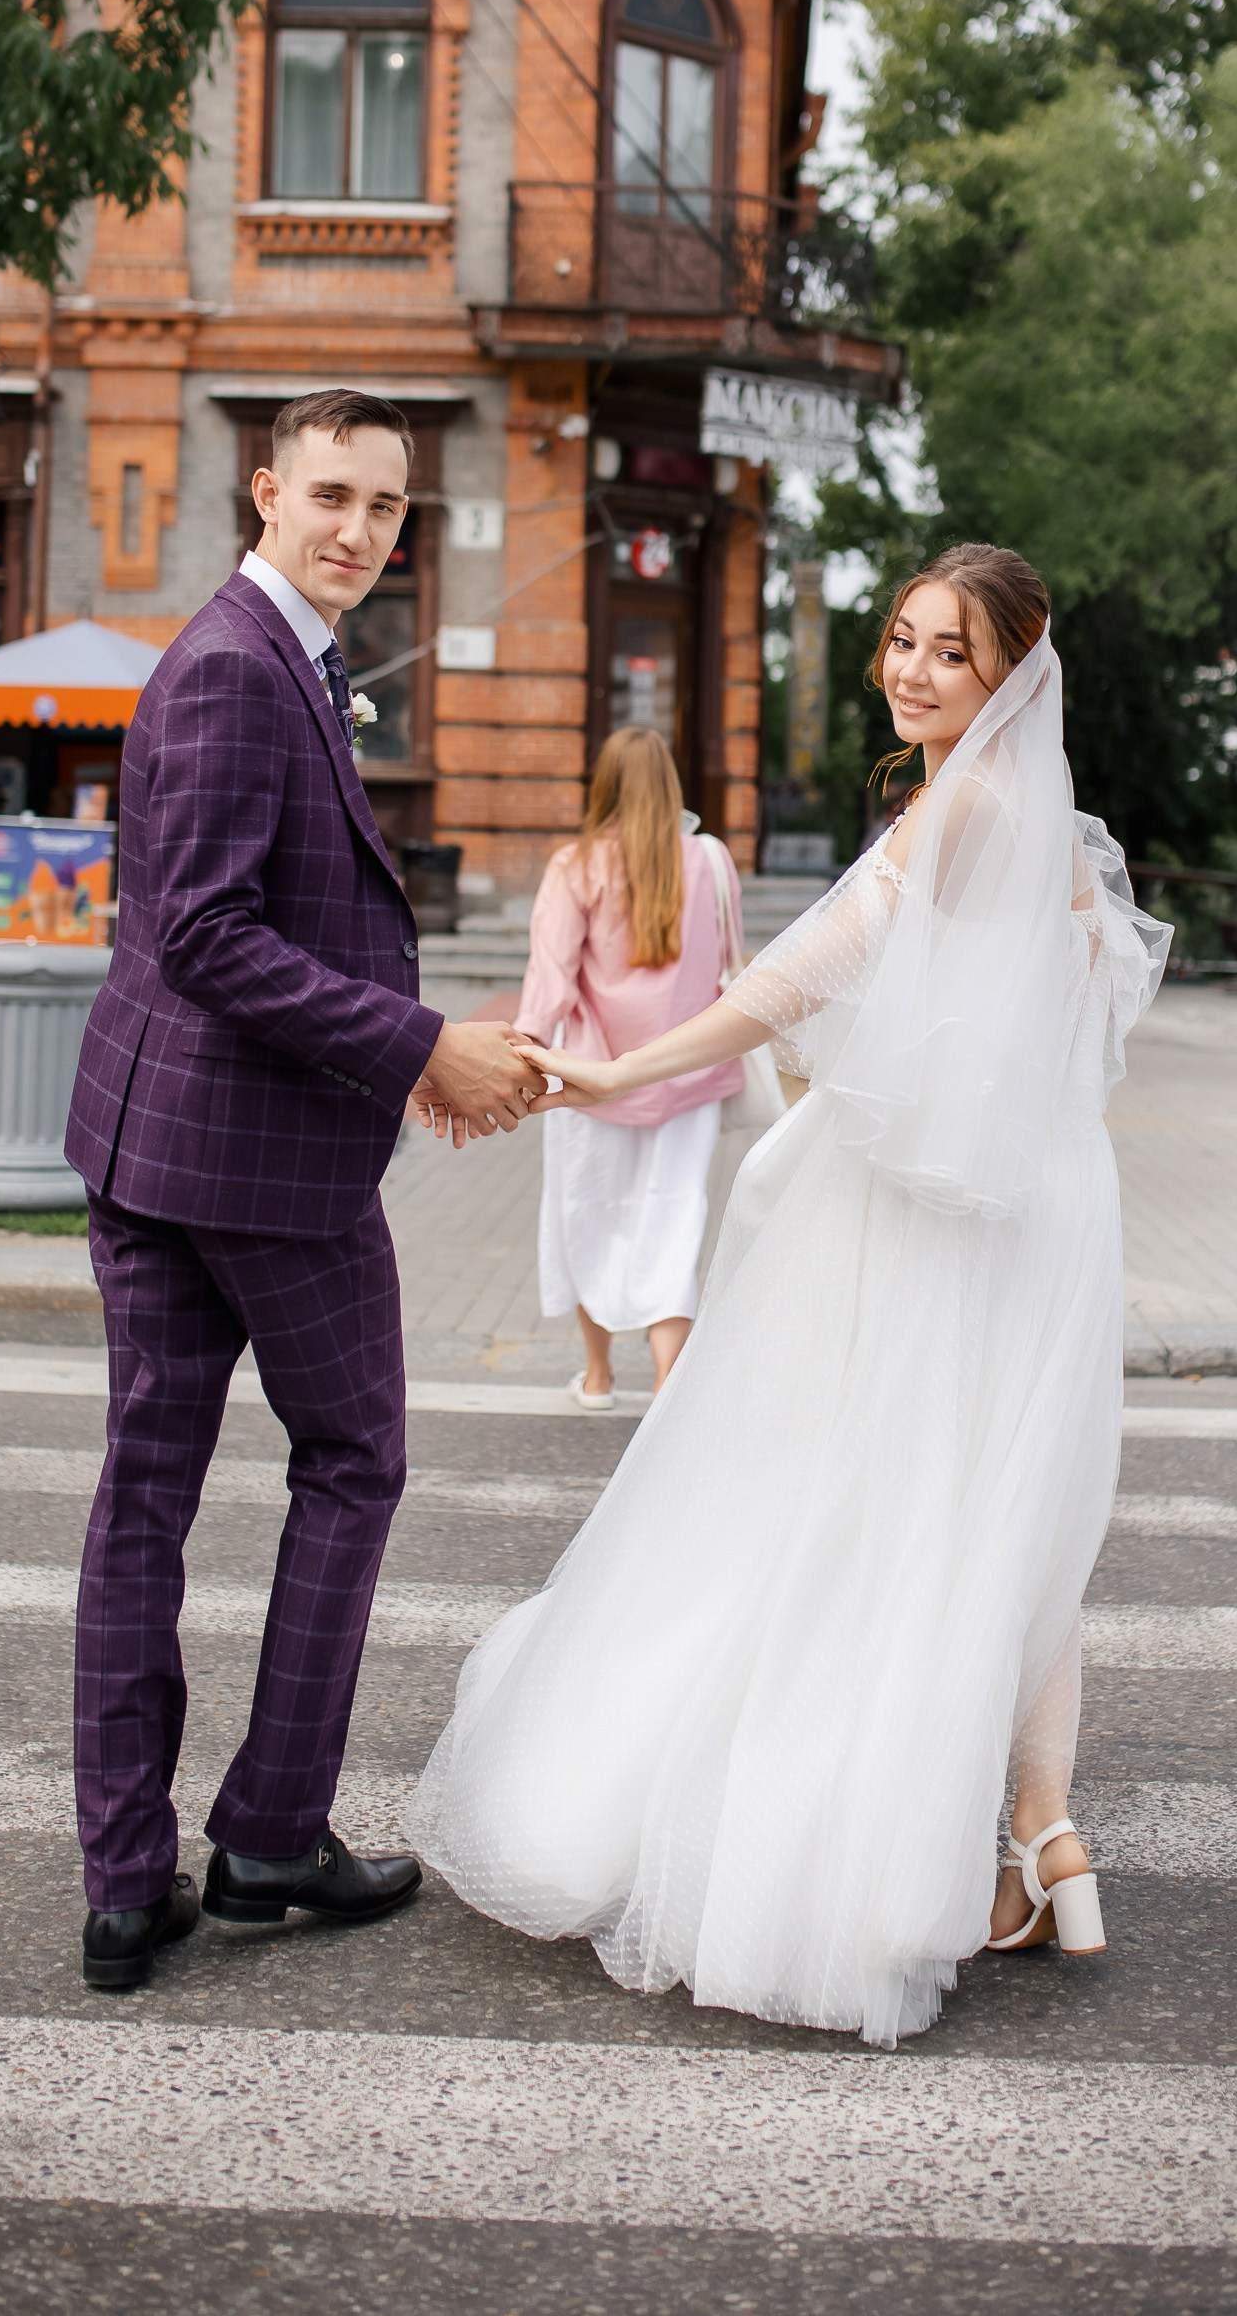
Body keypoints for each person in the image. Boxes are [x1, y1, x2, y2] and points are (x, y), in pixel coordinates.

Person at [408, 543, 1168, 2047]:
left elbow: (798, 977)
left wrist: (619, 1067)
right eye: (901, 639)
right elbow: (1074, 1013)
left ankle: (857, 1853)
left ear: (1010, 671)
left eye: (949, 652)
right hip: (1046, 1212)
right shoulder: (1056, 839)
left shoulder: (958, 818)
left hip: (921, 1221)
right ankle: (1046, 1833)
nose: (910, 668)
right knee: (1007, 1510)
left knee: (841, 1506)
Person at [63, 387, 544, 1994]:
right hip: (252, 1163)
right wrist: (423, 1048)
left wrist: (407, 1056)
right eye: (330, 495)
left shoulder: (273, 656)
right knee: (353, 1458)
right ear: (265, 491)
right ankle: (265, 1831)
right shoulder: (226, 666)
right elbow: (203, 933)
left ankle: (131, 1886)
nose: (357, 531)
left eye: (387, 509)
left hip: (163, 1147)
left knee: (147, 1494)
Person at [516, 727, 746, 1408]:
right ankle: (669, 1382)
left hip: (592, 1077)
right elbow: (731, 964)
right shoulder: (711, 859)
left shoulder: (574, 866)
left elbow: (550, 984)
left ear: (605, 787)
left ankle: (597, 1376)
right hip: (687, 1077)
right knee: (674, 1215)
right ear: (671, 785)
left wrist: (521, 1056)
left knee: (588, 1210)